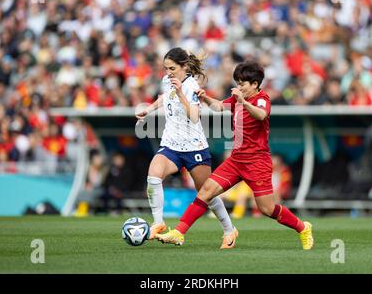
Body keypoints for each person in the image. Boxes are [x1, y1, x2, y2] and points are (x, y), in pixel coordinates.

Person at [156, 60, 314, 250]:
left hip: (257, 162)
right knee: (206, 191)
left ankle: (303, 227)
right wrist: (205, 98)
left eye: (242, 83)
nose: (239, 87)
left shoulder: (262, 99)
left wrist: (243, 101)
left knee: (267, 208)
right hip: (236, 160)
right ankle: (179, 232)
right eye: (237, 83)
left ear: (255, 84)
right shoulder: (237, 99)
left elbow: (261, 115)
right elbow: (218, 107)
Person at [135, 47, 237, 249]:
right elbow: (165, 97)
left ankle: (229, 229)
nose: (168, 72)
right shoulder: (167, 81)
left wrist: (181, 92)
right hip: (171, 144)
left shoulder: (191, 85)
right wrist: (148, 109)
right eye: (166, 68)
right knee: (154, 175)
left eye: (172, 68)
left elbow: (194, 115)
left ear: (183, 66)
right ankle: (158, 222)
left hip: (194, 148)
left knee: (206, 194)